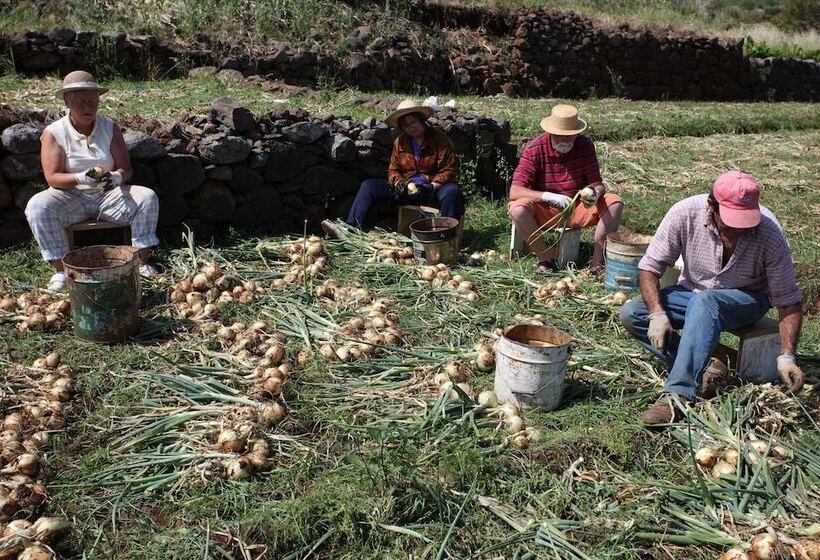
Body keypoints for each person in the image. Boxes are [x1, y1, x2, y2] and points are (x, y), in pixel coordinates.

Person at [619, 171, 804, 425]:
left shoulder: (769, 232)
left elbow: (788, 300)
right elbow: (650, 267)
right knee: (632, 313)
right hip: (692, 292)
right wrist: (657, 314)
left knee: (706, 301)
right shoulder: (684, 213)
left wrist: (786, 356)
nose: (738, 231)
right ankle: (707, 366)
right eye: (731, 223)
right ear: (711, 206)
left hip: (746, 300)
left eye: (745, 223)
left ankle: (679, 394)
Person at [25, 71, 160, 291]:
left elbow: (125, 168)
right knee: (37, 206)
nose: (88, 106)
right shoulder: (54, 133)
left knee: (147, 197)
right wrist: (81, 177)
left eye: (93, 100)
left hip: (108, 195)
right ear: (68, 102)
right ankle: (61, 270)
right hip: (70, 197)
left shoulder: (109, 127)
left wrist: (116, 177)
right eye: (81, 102)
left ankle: (141, 262)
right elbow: (52, 177)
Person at [508, 104, 623, 273]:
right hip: (544, 210)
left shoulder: (585, 146)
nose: (564, 141)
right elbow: (515, 191)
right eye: (559, 136)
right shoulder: (534, 149)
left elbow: (597, 183)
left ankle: (598, 263)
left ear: (577, 133)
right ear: (551, 132)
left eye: (569, 137)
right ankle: (545, 258)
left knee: (615, 203)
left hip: (576, 207)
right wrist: (547, 196)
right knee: (517, 210)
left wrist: (595, 194)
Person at [325, 99, 464, 235]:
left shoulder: (438, 139)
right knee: (369, 186)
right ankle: (351, 228)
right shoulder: (400, 142)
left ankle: (446, 235)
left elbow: (449, 169)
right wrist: (399, 183)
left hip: (432, 190)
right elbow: (393, 169)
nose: (411, 127)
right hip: (407, 190)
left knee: (452, 192)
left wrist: (432, 186)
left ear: (421, 120)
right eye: (406, 125)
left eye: (413, 122)